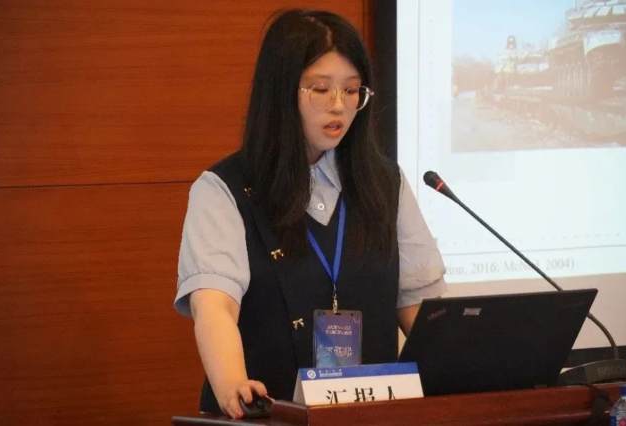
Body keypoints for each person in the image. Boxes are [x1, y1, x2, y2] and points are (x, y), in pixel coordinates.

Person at [173, 8, 447, 419]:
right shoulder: (223, 189)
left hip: (372, 416)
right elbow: (214, 306)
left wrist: (469, 371)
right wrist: (233, 385)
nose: (339, 106)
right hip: (268, 415)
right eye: (320, 89)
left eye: (352, 90)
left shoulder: (386, 183)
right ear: (282, 91)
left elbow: (421, 308)